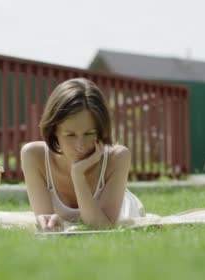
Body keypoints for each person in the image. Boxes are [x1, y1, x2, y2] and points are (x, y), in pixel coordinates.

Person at [20, 78, 145, 231]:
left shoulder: (118, 157)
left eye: (89, 133)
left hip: (123, 209)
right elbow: (47, 223)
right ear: (54, 132)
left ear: (100, 131)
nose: (80, 146)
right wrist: (49, 222)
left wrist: (78, 175)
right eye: (70, 135)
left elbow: (101, 228)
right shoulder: (33, 156)